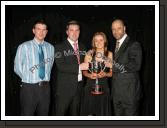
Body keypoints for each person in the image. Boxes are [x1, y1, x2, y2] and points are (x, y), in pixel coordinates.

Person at [14, 19, 55, 116]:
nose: (41, 32)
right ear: (33, 30)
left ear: (47, 32)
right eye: (38, 29)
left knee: (44, 116)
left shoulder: (51, 48)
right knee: (27, 116)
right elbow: (17, 67)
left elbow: (50, 66)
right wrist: (28, 79)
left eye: (44, 29)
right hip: (29, 88)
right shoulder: (24, 46)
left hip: (45, 88)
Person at [54, 20, 89, 116]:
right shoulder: (59, 47)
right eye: (71, 30)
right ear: (67, 32)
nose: (74, 33)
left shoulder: (83, 47)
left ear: (79, 32)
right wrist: (79, 67)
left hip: (79, 88)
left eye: (77, 30)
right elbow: (61, 66)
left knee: (76, 116)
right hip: (64, 89)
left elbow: (86, 66)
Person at [111, 19, 142, 116]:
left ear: (124, 28)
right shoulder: (116, 45)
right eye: (113, 29)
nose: (116, 31)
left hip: (129, 95)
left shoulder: (134, 44)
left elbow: (136, 65)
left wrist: (112, 66)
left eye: (119, 28)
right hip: (117, 94)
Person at [80, 32, 113, 116]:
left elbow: (112, 73)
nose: (98, 43)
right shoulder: (89, 54)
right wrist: (89, 75)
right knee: (89, 114)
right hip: (90, 86)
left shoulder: (109, 54)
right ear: (93, 42)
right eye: (96, 41)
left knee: (103, 113)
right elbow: (84, 72)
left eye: (101, 40)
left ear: (105, 41)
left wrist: (105, 74)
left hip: (104, 87)